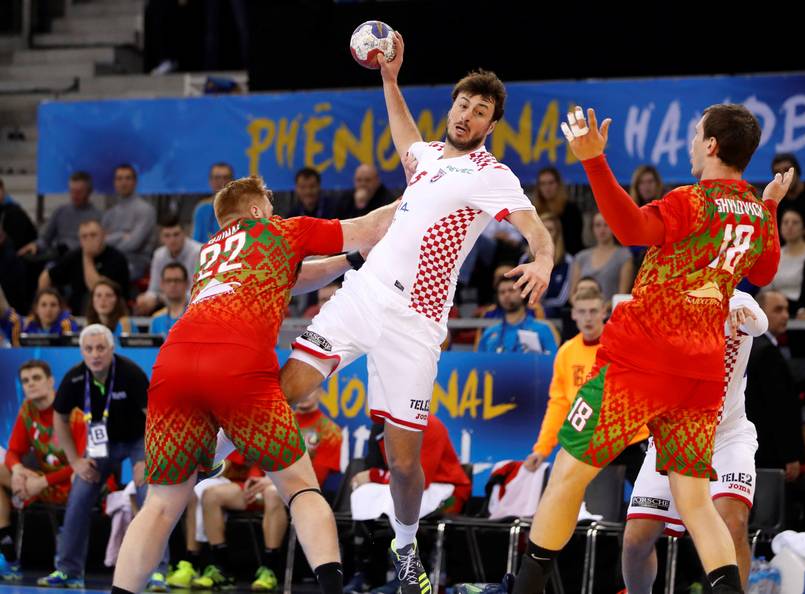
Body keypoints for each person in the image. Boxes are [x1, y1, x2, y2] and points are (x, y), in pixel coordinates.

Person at [278, 34, 554, 594]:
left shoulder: (490, 175)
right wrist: (389, 78)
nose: (468, 115)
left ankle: (406, 552)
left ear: (489, 125)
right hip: (365, 293)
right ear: (451, 106)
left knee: (403, 461)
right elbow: (406, 137)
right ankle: (209, 457)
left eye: (480, 112)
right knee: (287, 388)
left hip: (419, 323)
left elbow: (535, 231)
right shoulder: (426, 158)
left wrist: (543, 260)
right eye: (463, 105)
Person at [509, 103, 788, 594]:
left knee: (567, 478)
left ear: (712, 146)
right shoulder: (754, 214)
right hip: (701, 378)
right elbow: (763, 274)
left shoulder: (692, 200)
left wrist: (594, 161)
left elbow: (630, 229)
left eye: (695, 134)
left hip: (641, 364)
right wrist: (767, 207)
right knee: (697, 505)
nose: (689, 143)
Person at [109, 175, 395, 594]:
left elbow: (290, 279)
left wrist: (351, 260)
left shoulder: (210, 252)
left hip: (174, 361)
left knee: (160, 505)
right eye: (269, 204)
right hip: (236, 362)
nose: (274, 211)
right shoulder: (280, 228)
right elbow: (372, 226)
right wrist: (426, 188)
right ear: (259, 210)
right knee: (300, 489)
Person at [623, 291, 767, 593]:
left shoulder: (738, 299)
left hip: (727, 437)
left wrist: (741, 311)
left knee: (734, 524)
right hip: (675, 437)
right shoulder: (666, 303)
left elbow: (760, 325)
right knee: (636, 540)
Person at [38, 325, 158, 589]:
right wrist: (75, 461)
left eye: (101, 348)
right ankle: (68, 570)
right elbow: (60, 417)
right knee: (80, 493)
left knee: (150, 494)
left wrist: (149, 459)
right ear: (81, 352)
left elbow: (154, 418)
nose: (95, 355)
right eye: (89, 349)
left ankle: (156, 572)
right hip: (102, 444)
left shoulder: (130, 373)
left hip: (139, 440)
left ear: (111, 349)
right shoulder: (75, 379)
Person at [190, 387, 342, 591]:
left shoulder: (329, 430)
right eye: (302, 391)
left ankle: (268, 569)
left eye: (311, 390)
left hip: (294, 492)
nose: (305, 395)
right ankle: (220, 569)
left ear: (321, 394)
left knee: (272, 494)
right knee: (211, 495)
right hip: (259, 486)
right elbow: (258, 454)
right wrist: (254, 479)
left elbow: (317, 475)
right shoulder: (279, 422)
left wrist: (271, 482)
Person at [524, 288, 646, 474]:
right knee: (577, 497)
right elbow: (559, 404)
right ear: (573, 314)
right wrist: (542, 449)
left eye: (593, 311)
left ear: (604, 312)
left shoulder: (624, 345)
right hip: (589, 443)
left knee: (650, 499)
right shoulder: (566, 352)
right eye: (582, 311)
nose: (588, 318)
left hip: (631, 440)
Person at [345, 416, 471, 593]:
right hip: (407, 482)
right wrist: (370, 477)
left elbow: (421, 477)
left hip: (447, 490)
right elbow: (375, 468)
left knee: (398, 499)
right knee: (363, 494)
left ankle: (409, 575)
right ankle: (366, 574)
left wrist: (374, 475)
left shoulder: (431, 424)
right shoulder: (379, 426)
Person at [0, 360, 87, 579]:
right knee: (1, 469)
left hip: (76, 484)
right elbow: (13, 452)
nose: (31, 384)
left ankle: (67, 563)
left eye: (37, 378)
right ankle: (8, 552)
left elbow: (83, 464)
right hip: (39, 485)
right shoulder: (28, 410)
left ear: (51, 381)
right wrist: (18, 470)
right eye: (26, 381)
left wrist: (42, 482)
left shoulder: (74, 413)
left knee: (81, 476)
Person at [747, 291, 805, 479]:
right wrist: (790, 454)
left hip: (754, 448)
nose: (786, 316)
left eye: (787, 310)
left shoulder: (751, 345)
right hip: (770, 452)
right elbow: (779, 408)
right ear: (759, 314)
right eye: (778, 310)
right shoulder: (766, 352)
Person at [39, 219, 130, 315]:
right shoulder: (73, 256)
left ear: (104, 236)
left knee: (88, 298)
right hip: (76, 315)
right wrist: (58, 305)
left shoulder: (116, 258)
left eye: (93, 235)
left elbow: (96, 290)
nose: (89, 239)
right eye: (84, 236)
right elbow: (45, 277)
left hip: (111, 313)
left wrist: (87, 257)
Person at [17, 171, 102, 259]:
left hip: (84, 258)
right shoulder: (60, 211)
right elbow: (46, 238)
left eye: (79, 192)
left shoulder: (98, 216)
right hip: (59, 258)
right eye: (72, 191)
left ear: (89, 192)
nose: (74, 195)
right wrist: (35, 245)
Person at [135, 216, 201, 315]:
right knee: (143, 303)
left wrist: (160, 298)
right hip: (168, 301)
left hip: (193, 303)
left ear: (184, 234)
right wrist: (147, 299)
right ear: (161, 238)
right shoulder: (159, 255)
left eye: (176, 234)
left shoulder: (198, 252)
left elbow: (197, 292)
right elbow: (153, 289)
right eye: (167, 235)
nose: (172, 240)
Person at [476, 276, 559, 354]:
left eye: (512, 290)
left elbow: (552, 362)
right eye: (502, 292)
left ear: (524, 292)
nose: (506, 295)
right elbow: (479, 364)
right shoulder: (489, 333)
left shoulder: (542, 329)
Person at [102, 164, 157, 279]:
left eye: (128, 178)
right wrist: (121, 235)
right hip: (109, 260)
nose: (123, 183)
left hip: (136, 263)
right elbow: (100, 242)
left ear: (135, 182)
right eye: (119, 178)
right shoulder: (109, 213)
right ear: (115, 183)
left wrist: (110, 240)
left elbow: (133, 244)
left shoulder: (145, 210)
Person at [569, 212, 634, 304]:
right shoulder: (581, 257)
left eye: (606, 225)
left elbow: (622, 295)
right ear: (592, 228)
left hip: (610, 313)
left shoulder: (624, 256)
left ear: (614, 227)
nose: (602, 230)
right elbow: (572, 294)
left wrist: (601, 309)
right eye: (598, 225)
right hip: (582, 313)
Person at [518, 213, 573, 318]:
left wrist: (539, 307)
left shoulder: (567, 261)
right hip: (527, 310)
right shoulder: (525, 259)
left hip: (554, 314)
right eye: (543, 229)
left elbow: (562, 299)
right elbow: (519, 289)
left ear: (557, 234)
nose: (546, 233)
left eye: (550, 230)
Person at [764, 209, 805, 313]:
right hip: (777, 309)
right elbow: (766, 288)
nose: (789, 226)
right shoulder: (775, 253)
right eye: (785, 222)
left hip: (803, 309)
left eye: (795, 222)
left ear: (804, 228)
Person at [0, 288, 79, 346]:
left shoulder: (68, 325)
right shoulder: (25, 327)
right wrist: (16, 337)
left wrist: (67, 334)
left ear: (60, 308)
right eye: (43, 305)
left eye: (53, 305)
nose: (48, 310)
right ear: (36, 309)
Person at [531, 167, 583, 255]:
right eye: (543, 184)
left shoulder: (570, 209)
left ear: (558, 184)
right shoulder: (533, 210)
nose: (547, 187)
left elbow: (575, 240)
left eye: (551, 183)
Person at [192, 163, 235, 243]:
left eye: (225, 178)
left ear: (232, 181)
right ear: (210, 181)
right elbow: (195, 243)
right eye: (217, 178)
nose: (221, 182)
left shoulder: (242, 207)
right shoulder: (202, 208)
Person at [149, 263, 189, 338]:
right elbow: (152, 349)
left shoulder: (196, 315)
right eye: (168, 280)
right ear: (161, 284)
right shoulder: (156, 318)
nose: (172, 284)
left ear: (186, 283)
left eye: (177, 280)